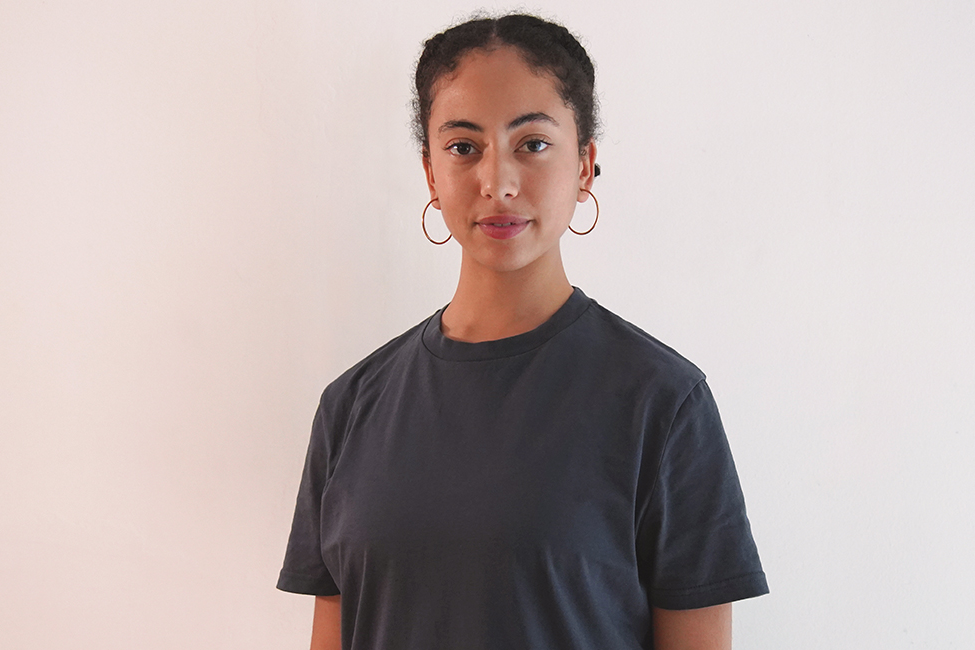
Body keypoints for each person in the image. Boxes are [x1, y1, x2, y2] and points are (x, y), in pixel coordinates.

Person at [277, 13, 768, 650]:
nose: (498, 183)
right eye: (464, 147)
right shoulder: (351, 407)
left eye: (532, 144)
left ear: (585, 164)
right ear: (430, 173)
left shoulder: (663, 402)